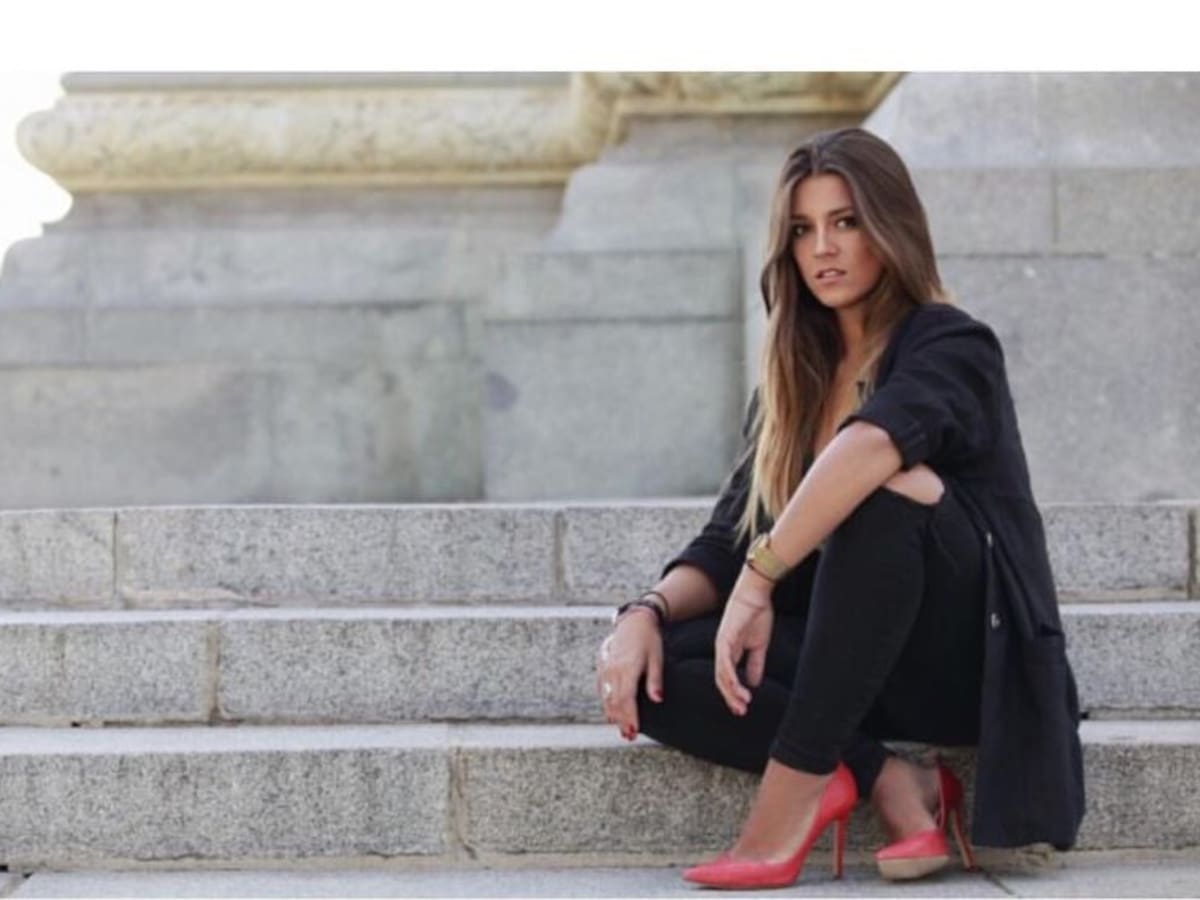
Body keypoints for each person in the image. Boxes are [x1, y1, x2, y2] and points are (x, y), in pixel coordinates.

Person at [594, 127, 1084, 889]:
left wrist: (760, 581)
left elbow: (871, 448)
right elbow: (725, 542)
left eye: (846, 222)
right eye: (802, 229)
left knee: (884, 489)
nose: (823, 248)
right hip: (848, 669)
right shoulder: (794, 384)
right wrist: (643, 614)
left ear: (891, 229)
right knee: (664, 668)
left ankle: (789, 801)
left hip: (958, 663)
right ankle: (888, 778)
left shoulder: (952, 345)